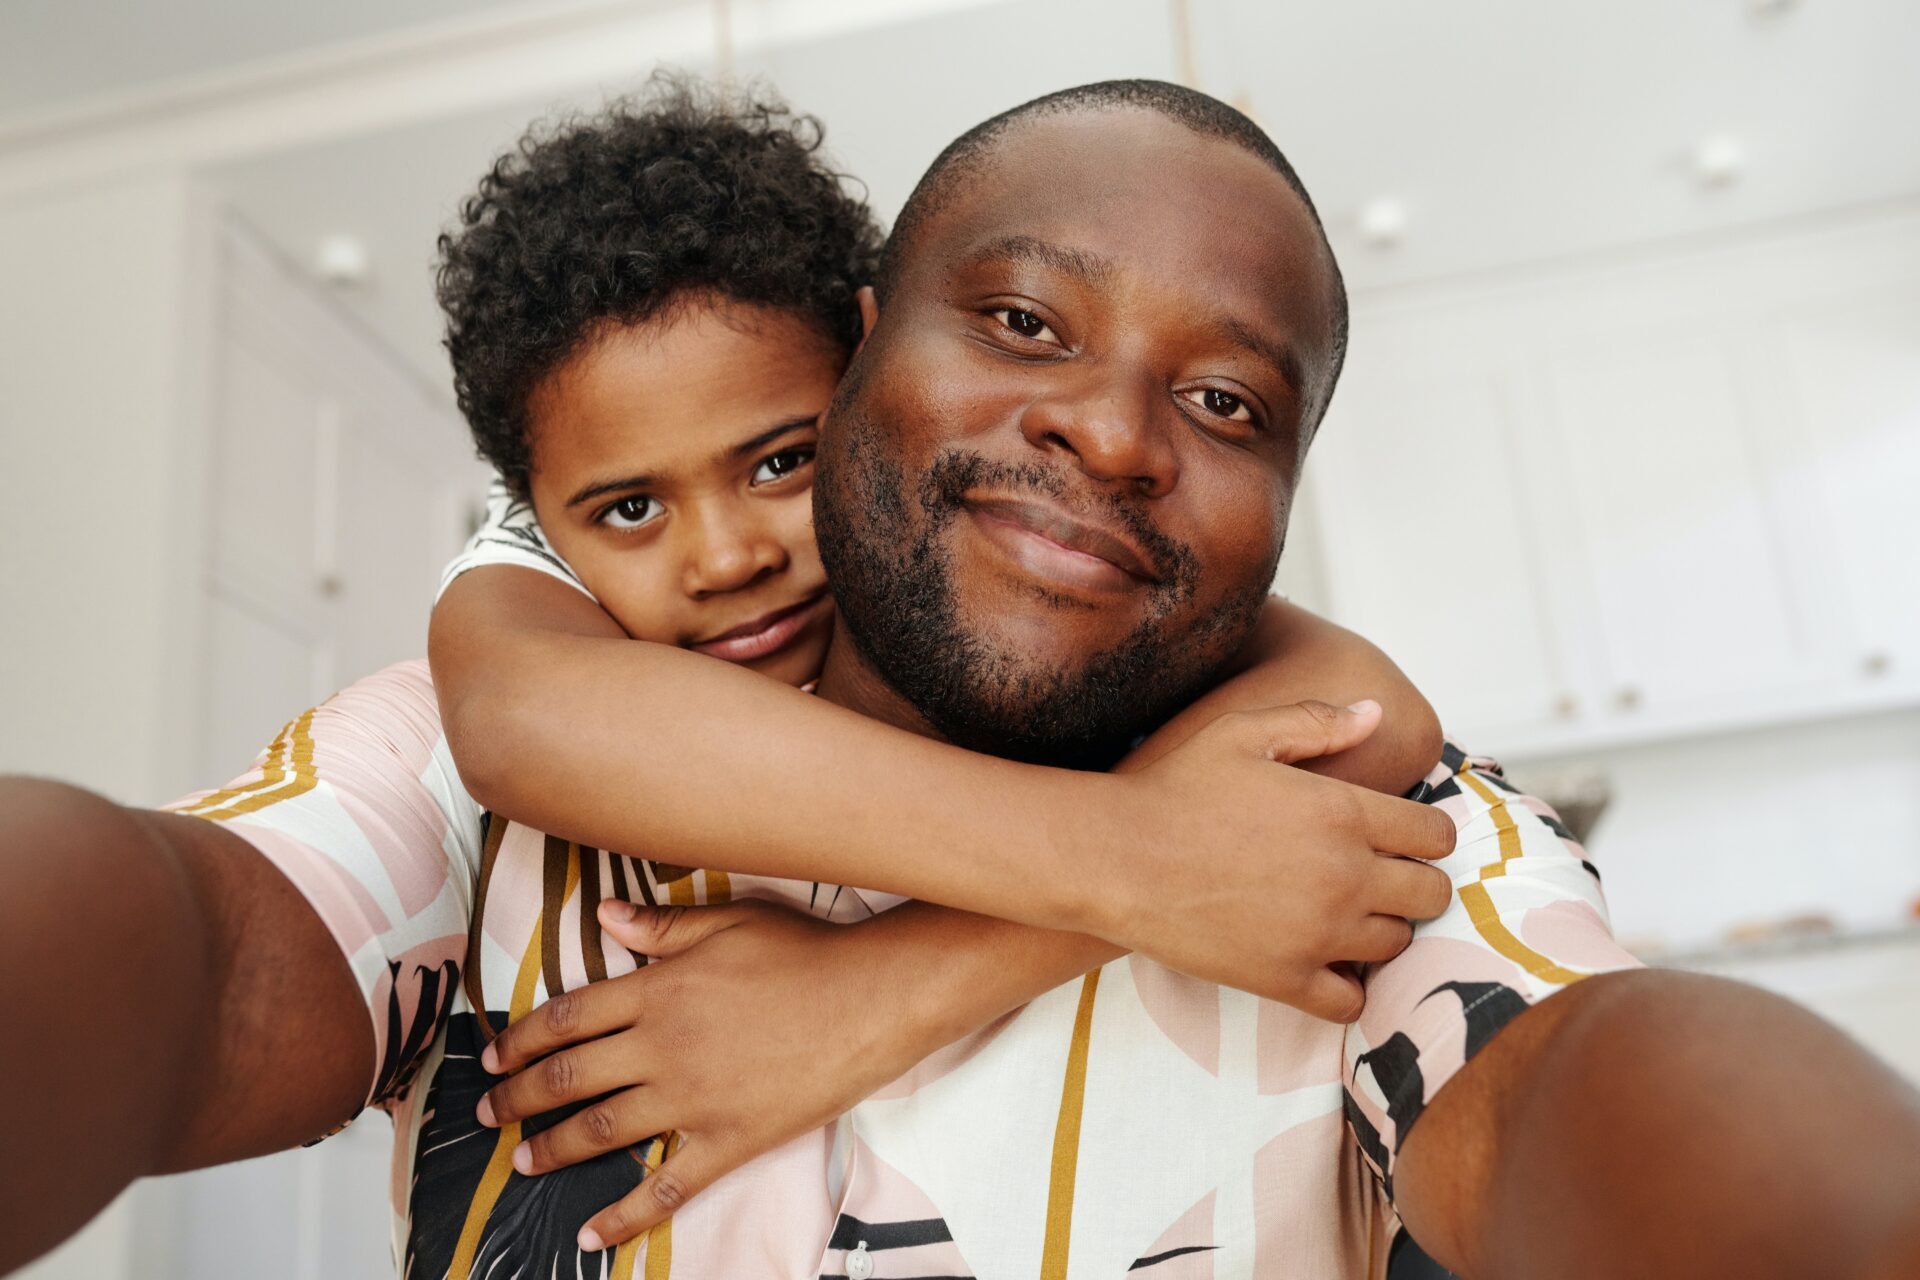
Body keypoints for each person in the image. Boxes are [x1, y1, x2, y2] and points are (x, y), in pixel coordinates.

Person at [8, 78, 1920, 1279]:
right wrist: (1126, 871)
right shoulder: (493, 746)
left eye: (1226, 398)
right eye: (1021, 322)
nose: (1102, 431)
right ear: (870, 354)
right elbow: (207, 951)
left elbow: (1572, 1076)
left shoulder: (1360, 820)